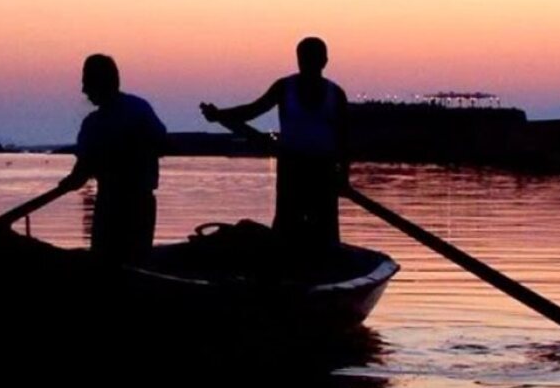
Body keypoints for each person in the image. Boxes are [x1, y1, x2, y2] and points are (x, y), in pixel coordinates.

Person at [200, 36, 349, 249]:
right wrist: (219, 114)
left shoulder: (336, 94)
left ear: (323, 61)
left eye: (312, 58)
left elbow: (343, 140)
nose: (308, 63)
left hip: (322, 171)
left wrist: (343, 177)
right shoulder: (284, 88)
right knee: (287, 228)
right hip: (292, 168)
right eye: (305, 58)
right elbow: (253, 110)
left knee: (324, 233)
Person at [58, 54, 167, 264]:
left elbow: (79, 176)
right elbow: (161, 144)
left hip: (115, 207)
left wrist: (70, 182)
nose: (84, 91)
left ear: (102, 82)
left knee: (108, 265)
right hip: (138, 206)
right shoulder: (139, 108)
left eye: (86, 82)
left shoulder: (95, 124)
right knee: (135, 264)